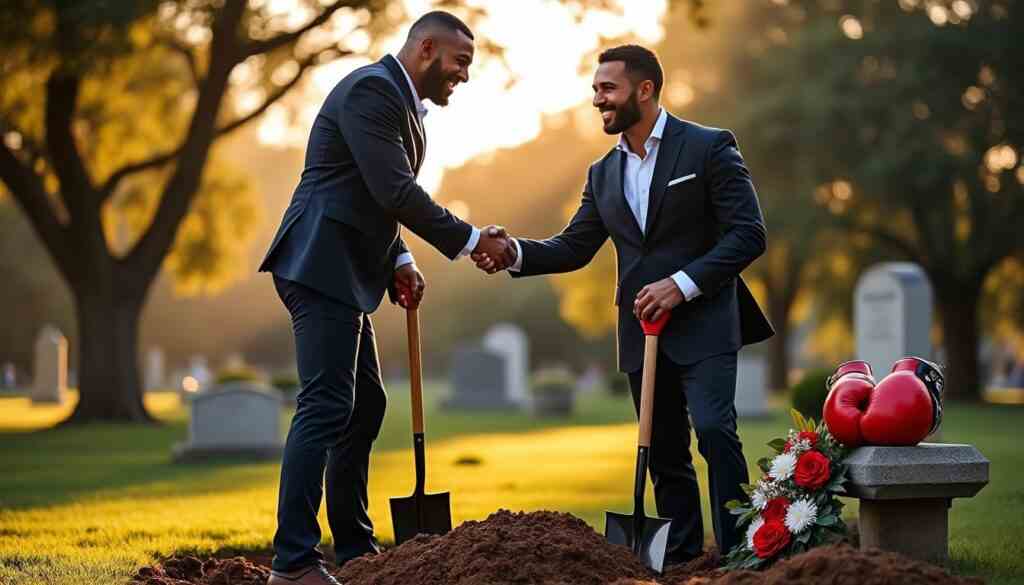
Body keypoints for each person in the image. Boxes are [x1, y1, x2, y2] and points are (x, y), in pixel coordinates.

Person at [474, 44, 774, 564]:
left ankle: (739, 556)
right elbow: (573, 246)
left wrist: (680, 284)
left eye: (607, 89)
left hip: (705, 320)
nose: (598, 100)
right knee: (662, 452)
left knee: (714, 431)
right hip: (641, 331)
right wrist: (513, 252)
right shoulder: (602, 173)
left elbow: (748, 234)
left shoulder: (707, 147)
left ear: (645, 90)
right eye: (595, 90)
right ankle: (681, 559)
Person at [258, 11, 515, 585]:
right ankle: (294, 561)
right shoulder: (372, 91)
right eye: (460, 62)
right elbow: (394, 189)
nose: (465, 76)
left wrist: (399, 258)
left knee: (365, 404)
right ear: (426, 49)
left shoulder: (398, 103)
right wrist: (472, 240)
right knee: (326, 404)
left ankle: (352, 546)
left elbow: (377, 195)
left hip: (346, 270)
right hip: (319, 263)